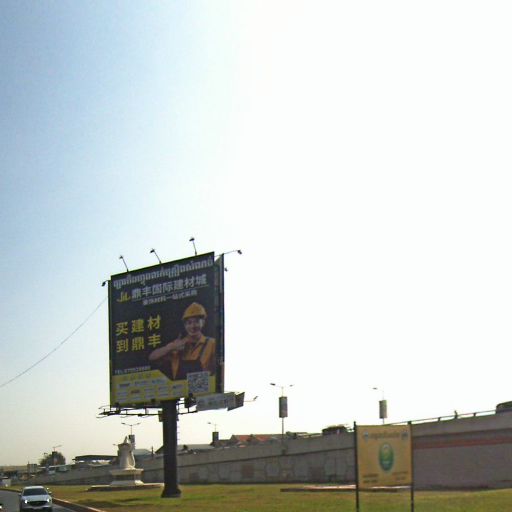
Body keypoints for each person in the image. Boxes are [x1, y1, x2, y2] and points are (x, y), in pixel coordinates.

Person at [149, 302, 216, 380]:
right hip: (179, 387)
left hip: (204, 387)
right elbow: (152, 357)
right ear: (185, 325)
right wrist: (171, 347)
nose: (193, 326)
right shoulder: (177, 345)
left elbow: (220, 368)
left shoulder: (212, 343)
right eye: (189, 323)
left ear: (203, 322)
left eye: (197, 322)